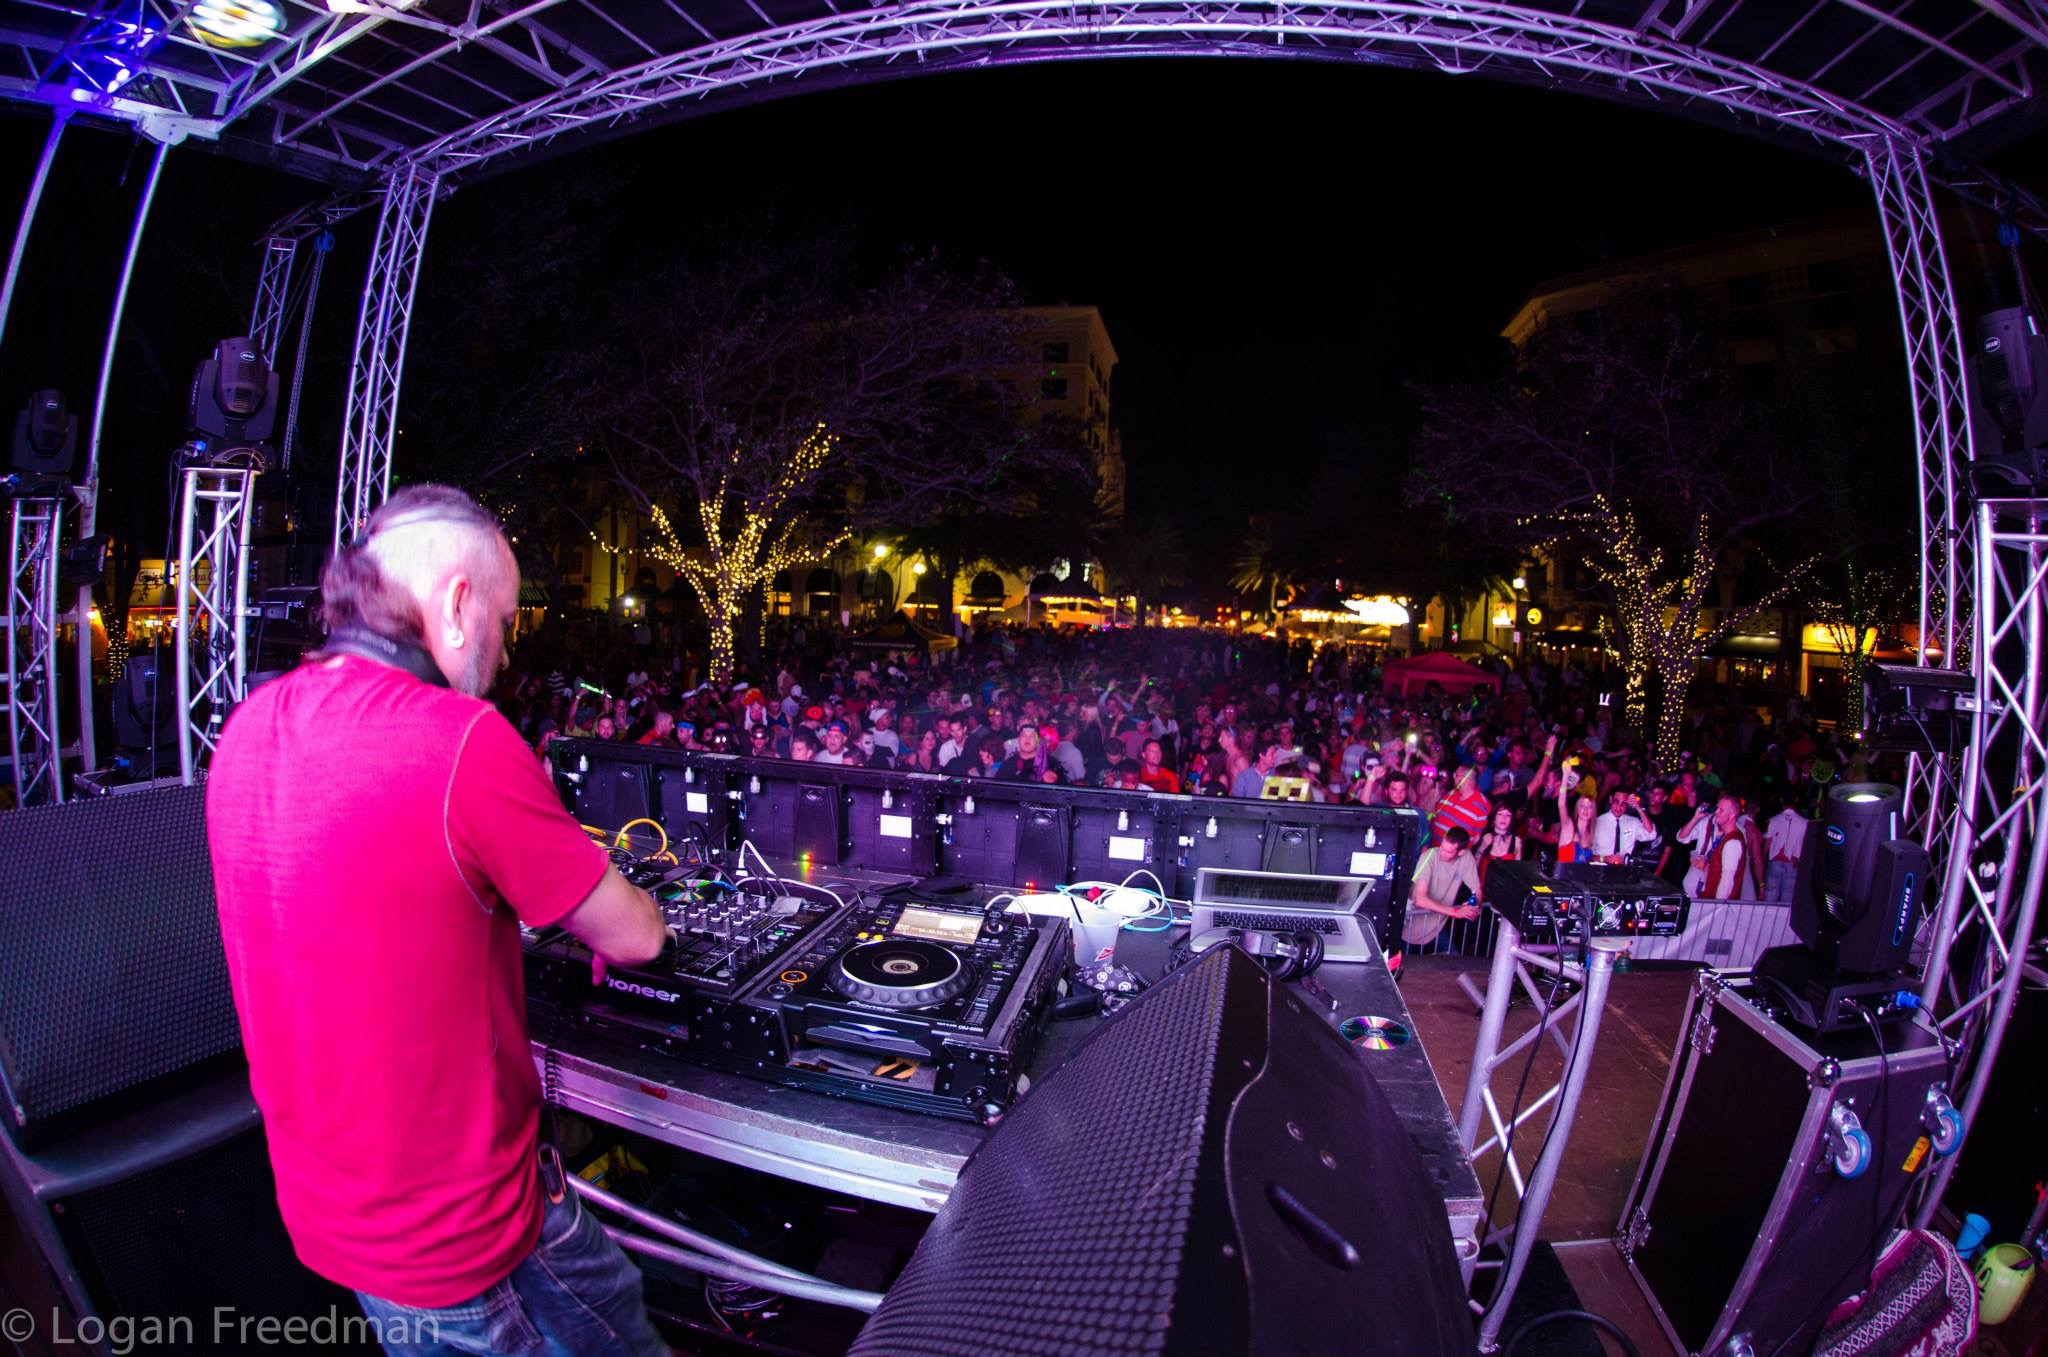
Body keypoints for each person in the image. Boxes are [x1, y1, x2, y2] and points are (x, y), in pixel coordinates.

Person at [206, 486, 670, 1357]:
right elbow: (635, 935)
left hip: (335, 1214)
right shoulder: (461, 740)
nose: (506, 648)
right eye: (506, 617)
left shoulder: (244, 728)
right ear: (458, 603)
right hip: (467, 1230)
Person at [1398, 826, 1483, 966]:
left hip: (1437, 928)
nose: (1442, 853)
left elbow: (1477, 890)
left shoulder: (1466, 857)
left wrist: (1474, 906)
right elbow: (1420, 900)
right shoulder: (1429, 856)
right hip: (1409, 931)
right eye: (1442, 847)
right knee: (1404, 970)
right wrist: (1456, 912)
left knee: (1456, 967)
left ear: (1461, 852)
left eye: (1448, 851)